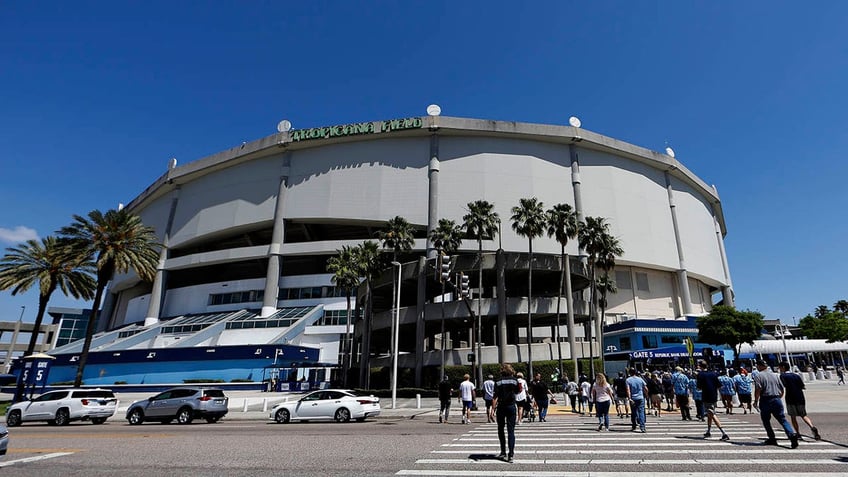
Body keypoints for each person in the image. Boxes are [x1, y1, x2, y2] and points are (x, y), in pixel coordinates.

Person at [752, 359, 798, 448]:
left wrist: (756, 401)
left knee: (766, 420)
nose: (757, 367)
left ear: (760, 366)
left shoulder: (758, 376)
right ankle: (791, 435)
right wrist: (779, 397)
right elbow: (781, 389)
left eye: (757, 365)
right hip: (776, 399)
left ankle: (772, 438)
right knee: (782, 419)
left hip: (765, 399)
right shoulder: (776, 375)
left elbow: (758, 389)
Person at [779, 362, 820, 441]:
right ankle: (812, 427)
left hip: (791, 398)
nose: (779, 369)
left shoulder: (783, 376)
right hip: (800, 397)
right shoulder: (796, 375)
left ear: (783, 367)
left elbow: (783, 386)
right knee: (803, 415)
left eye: (780, 367)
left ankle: (798, 433)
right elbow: (803, 386)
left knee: (793, 416)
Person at [493, 363, 519, 463]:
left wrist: (493, 409)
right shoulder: (515, 380)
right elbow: (517, 391)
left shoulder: (498, 381)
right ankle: (511, 454)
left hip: (501, 406)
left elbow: (495, 395)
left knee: (500, 429)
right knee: (511, 431)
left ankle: (503, 451)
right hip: (511, 406)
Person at [696, 360, 730, 441]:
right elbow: (719, 386)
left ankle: (724, 433)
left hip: (706, 396)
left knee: (711, 413)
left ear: (700, 366)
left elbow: (699, 387)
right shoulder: (713, 374)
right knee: (710, 414)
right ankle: (708, 431)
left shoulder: (700, 374)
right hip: (714, 395)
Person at [625, 368, 648, 433]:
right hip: (640, 397)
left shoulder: (628, 380)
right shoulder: (640, 379)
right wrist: (646, 395)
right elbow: (645, 388)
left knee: (634, 412)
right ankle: (642, 427)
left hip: (633, 398)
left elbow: (628, 390)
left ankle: (634, 425)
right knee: (641, 412)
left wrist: (629, 398)